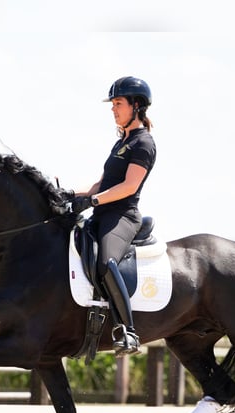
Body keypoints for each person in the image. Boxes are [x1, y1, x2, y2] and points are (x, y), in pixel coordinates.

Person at [71, 76, 156, 356]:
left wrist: (92, 200)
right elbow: (102, 184)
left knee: (107, 262)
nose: (113, 109)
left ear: (137, 106)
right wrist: (70, 194)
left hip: (122, 216)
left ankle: (128, 332)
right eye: (114, 103)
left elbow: (129, 186)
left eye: (118, 103)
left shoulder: (143, 143)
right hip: (103, 211)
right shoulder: (122, 141)